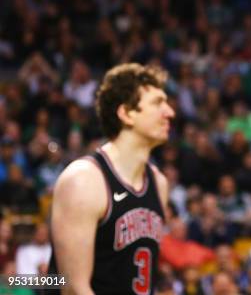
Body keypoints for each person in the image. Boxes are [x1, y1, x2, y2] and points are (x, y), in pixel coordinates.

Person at [46, 63, 175, 294]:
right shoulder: (84, 180)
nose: (170, 112)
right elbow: (73, 288)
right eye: (157, 103)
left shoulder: (159, 183)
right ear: (126, 113)